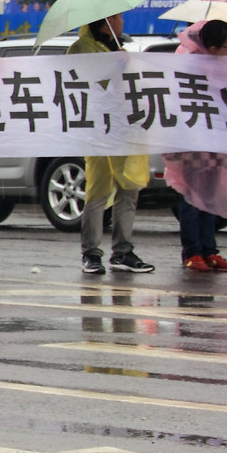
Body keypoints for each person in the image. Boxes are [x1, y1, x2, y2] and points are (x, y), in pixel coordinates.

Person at [164, 20, 227, 273]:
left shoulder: (223, 64)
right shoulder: (192, 65)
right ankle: (192, 251)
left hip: (217, 140)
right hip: (193, 141)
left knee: (212, 194)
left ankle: (209, 250)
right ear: (214, 46)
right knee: (193, 196)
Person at [69, 14, 154, 276]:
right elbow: (83, 81)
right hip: (98, 130)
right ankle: (91, 253)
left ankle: (123, 251)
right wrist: (113, 65)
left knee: (129, 188)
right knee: (98, 190)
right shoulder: (82, 48)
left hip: (125, 127)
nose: (122, 22)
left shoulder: (117, 48)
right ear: (104, 21)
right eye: (117, 17)